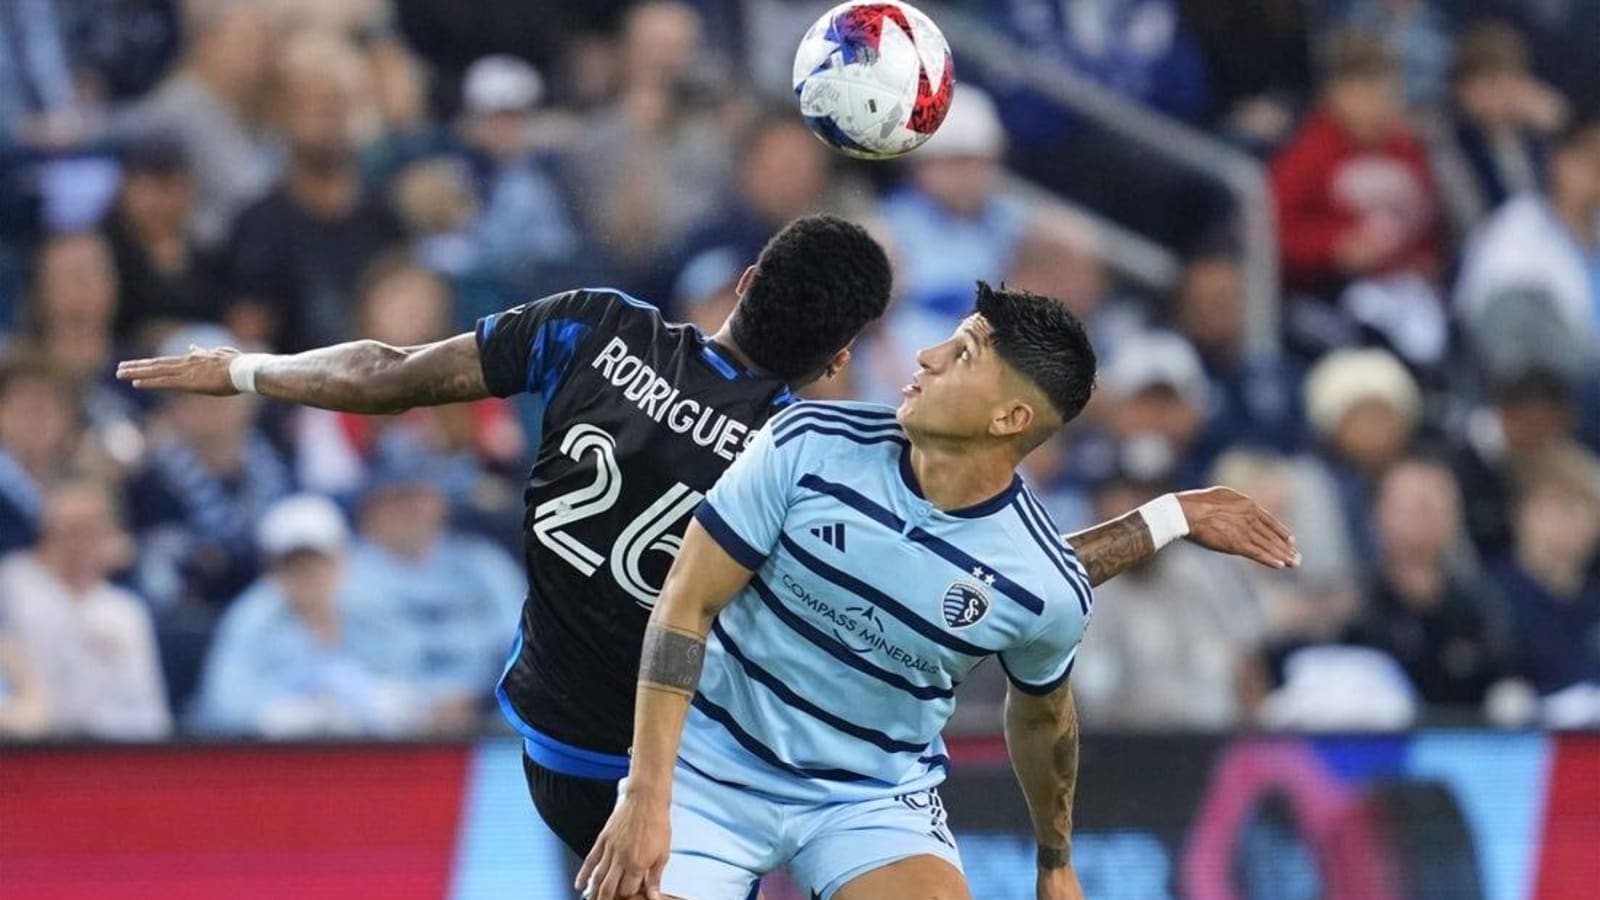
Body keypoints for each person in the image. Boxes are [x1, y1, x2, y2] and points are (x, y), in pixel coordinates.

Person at [118, 215, 1291, 868]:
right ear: (841, 358)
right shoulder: (812, 442)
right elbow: (1000, 569)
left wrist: (242, 371)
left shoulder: (592, 331)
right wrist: (1163, 518)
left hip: (550, 743)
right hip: (685, 760)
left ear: (741, 282)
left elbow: (384, 376)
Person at [577, 283, 1298, 900]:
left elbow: (1044, 721)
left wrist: (1056, 862)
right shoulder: (804, 444)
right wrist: (644, 792)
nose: (925, 358)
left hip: (868, 797)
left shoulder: (1042, 581)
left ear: (1010, 419)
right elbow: (685, 604)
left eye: (960, 356)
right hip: (710, 769)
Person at [191, 493, 418, 737]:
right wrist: (283, 716)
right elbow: (224, 705)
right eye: (294, 565)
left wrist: (374, 703)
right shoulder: (250, 619)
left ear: (341, 561)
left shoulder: (375, 610)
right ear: (273, 570)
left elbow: (412, 684)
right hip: (277, 762)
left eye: (318, 563)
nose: (308, 576)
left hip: (370, 759)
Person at [0, 480, 170, 739]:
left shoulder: (125, 612)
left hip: (110, 754)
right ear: (46, 534)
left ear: (108, 536)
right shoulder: (14, 586)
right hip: (31, 749)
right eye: (67, 531)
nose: (78, 544)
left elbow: (151, 715)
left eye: (89, 532)